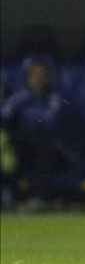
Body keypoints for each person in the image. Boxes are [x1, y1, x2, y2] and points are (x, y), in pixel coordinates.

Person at [1, 57, 66, 211]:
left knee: (43, 149)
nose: (38, 78)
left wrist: (28, 115)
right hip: (20, 145)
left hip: (48, 146)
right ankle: (9, 195)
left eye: (41, 74)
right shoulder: (20, 96)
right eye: (34, 74)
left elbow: (50, 119)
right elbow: (4, 115)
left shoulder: (53, 97)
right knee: (8, 151)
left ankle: (39, 198)